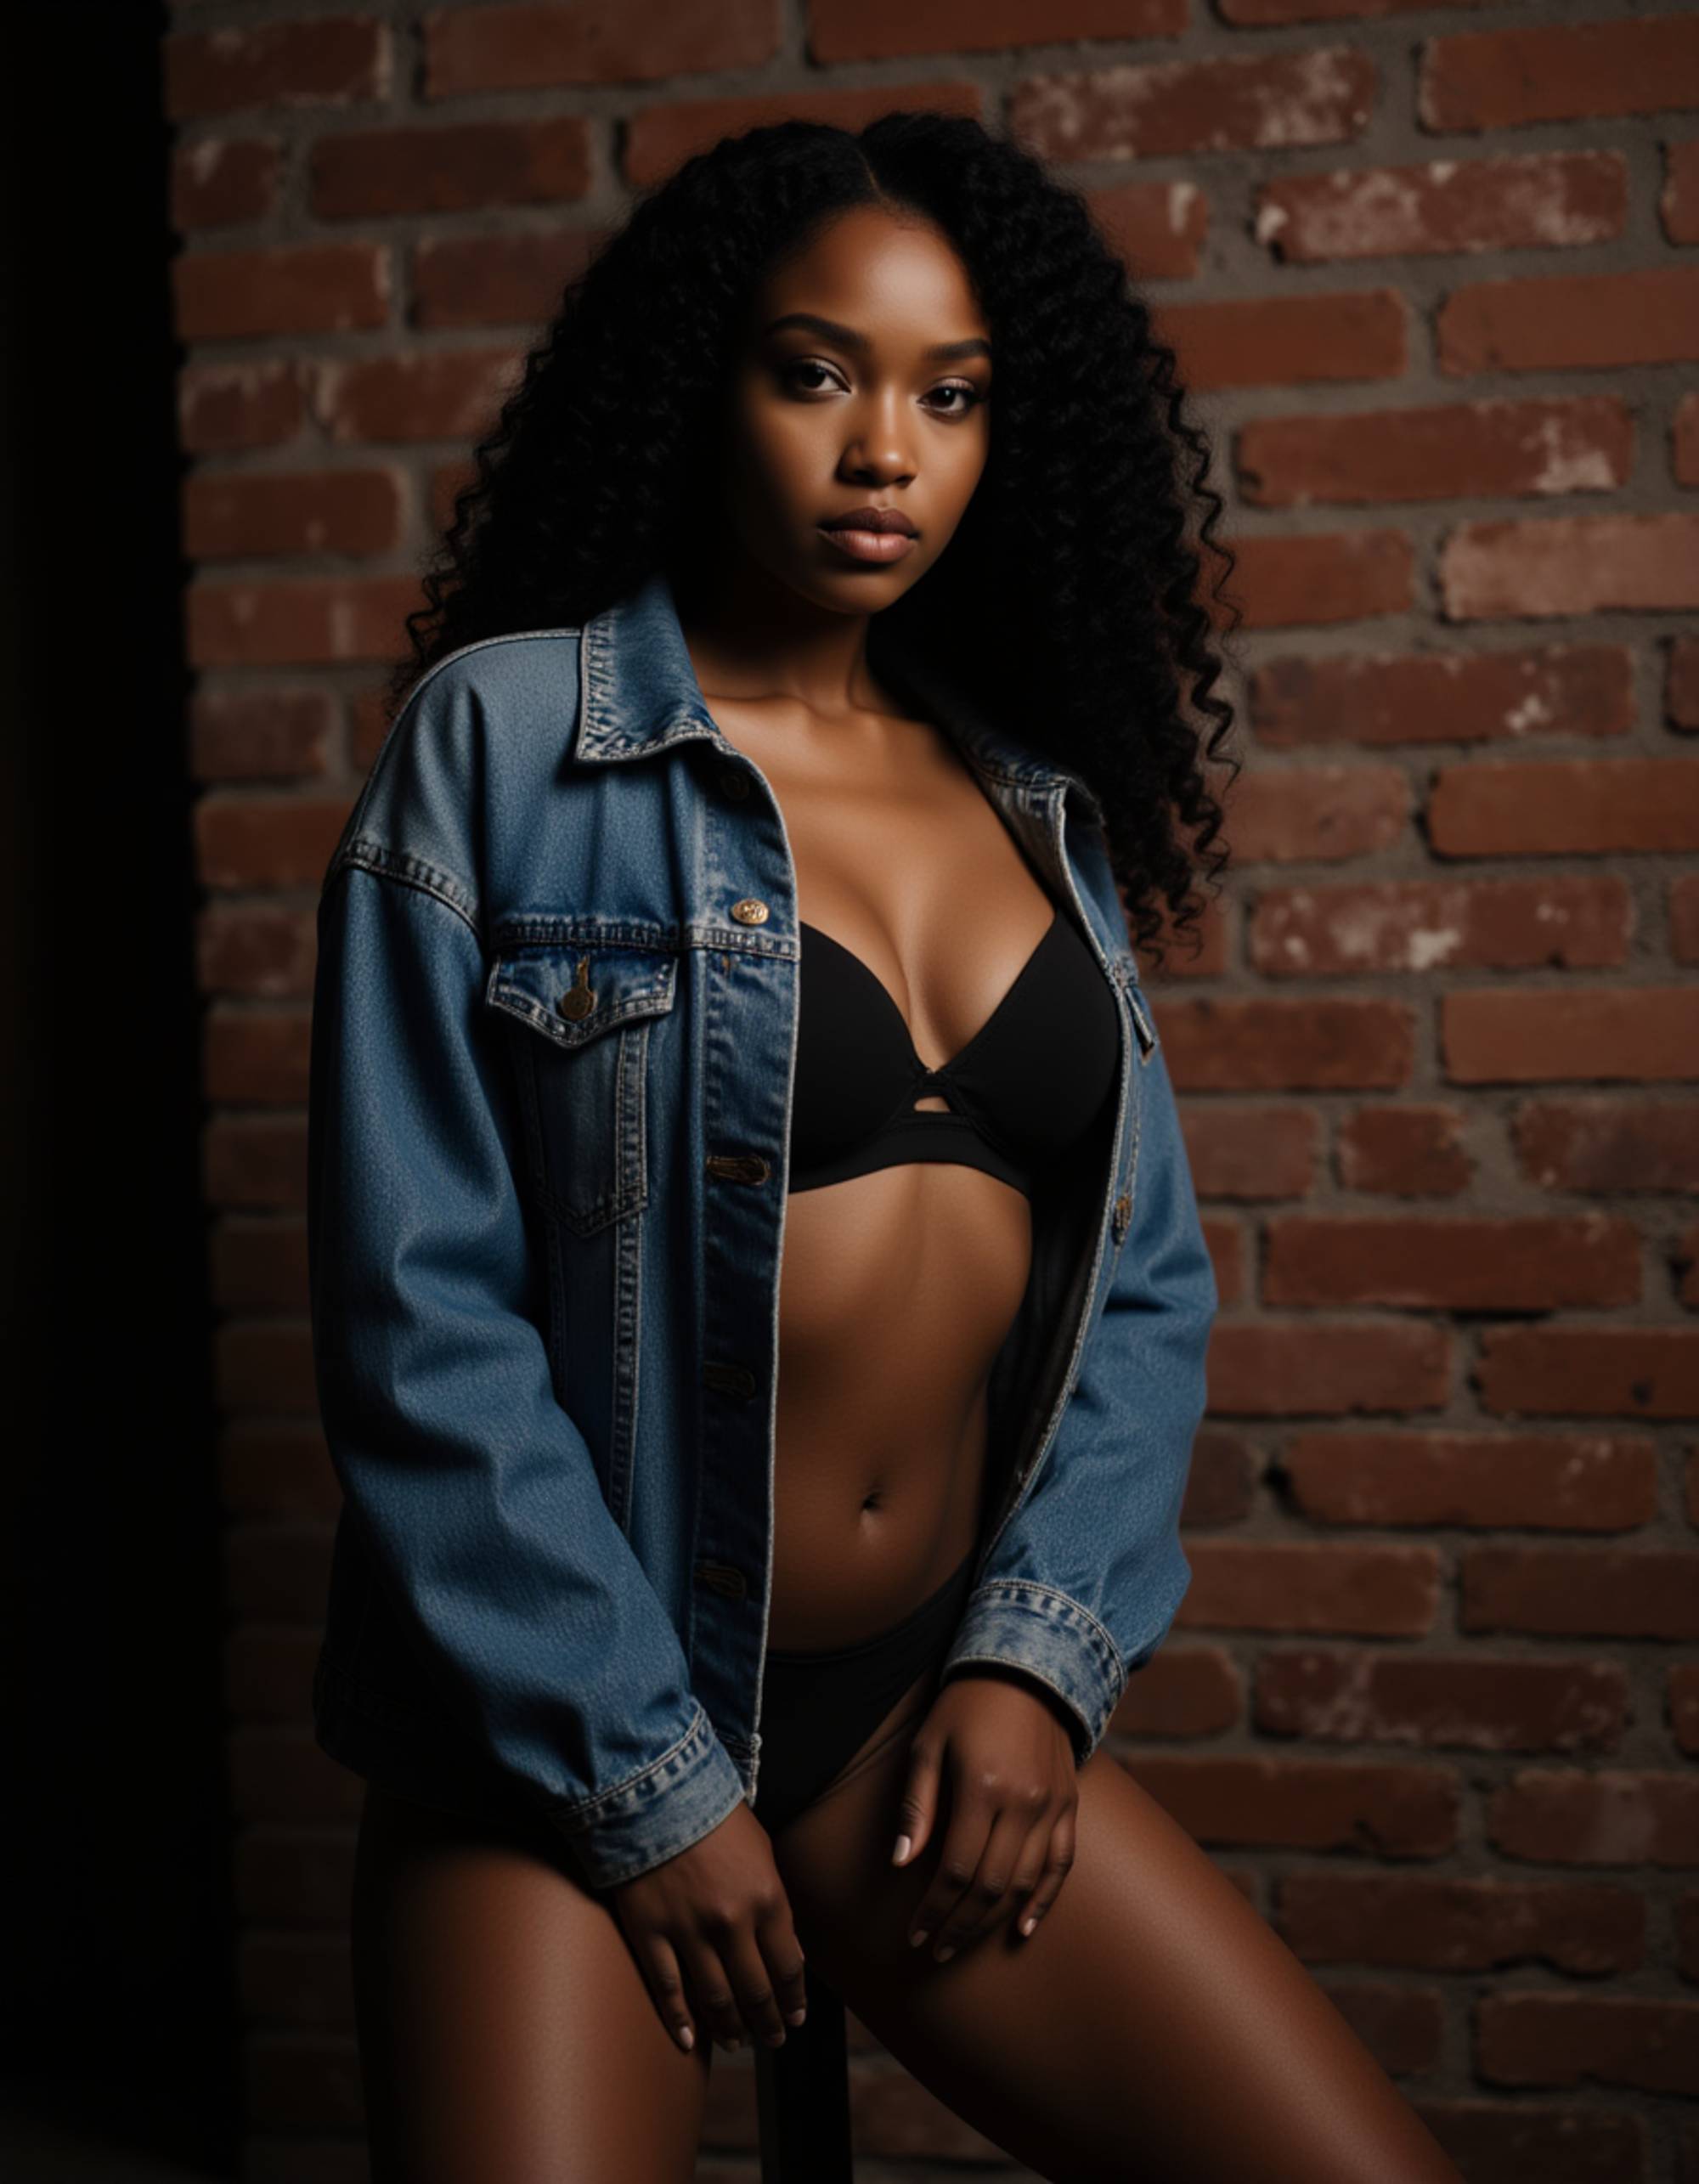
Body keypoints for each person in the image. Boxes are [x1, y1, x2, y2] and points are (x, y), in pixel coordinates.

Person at [306, 110, 1463, 2184]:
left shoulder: (1034, 803)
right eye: (816, 370)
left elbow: (1143, 1283)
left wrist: (1035, 1668)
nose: (884, 450)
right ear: (700, 381)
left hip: (921, 1720)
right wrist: (648, 1782)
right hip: (565, 1725)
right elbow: (419, 1324)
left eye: (952, 395)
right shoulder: (505, 744)